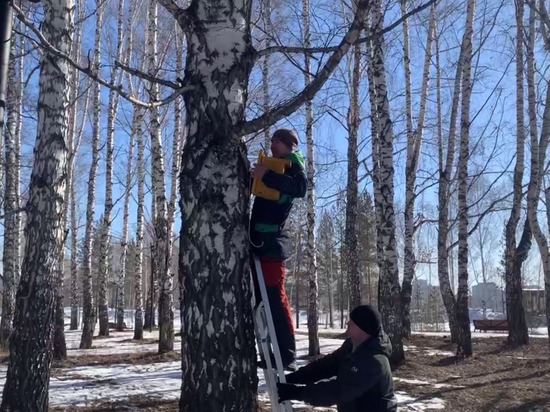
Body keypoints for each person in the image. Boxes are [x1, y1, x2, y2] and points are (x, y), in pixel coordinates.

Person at [250, 128, 307, 371]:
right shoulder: (275, 165)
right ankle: (273, 352)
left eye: (278, 141)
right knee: (262, 300)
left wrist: (267, 176)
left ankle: (287, 355)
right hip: (259, 241)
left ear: (288, 145)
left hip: (272, 243)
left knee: (275, 298)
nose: (273, 144)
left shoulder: (294, 165)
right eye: (272, 141)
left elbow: (300, 188)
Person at [277, 305, 398, 412]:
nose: (348, 324)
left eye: (352, 322)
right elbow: (325, 366)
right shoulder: (351, 346)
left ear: (362, 328)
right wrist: (293, 378)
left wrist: (299, 393)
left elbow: (339, 390)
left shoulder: (375, 361)